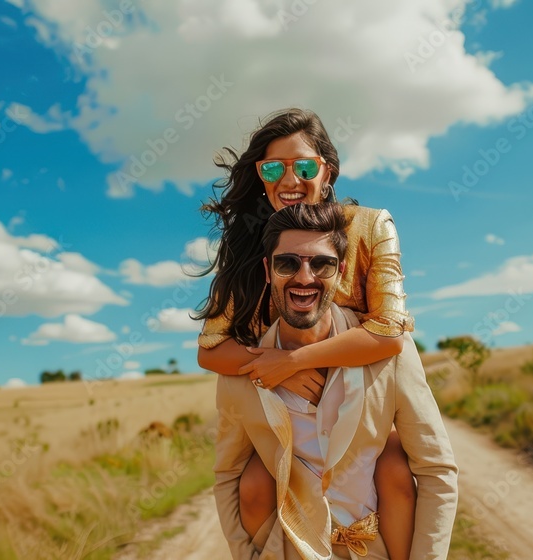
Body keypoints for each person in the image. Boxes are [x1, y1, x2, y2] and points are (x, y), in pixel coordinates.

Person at [196, 108, 418, 557]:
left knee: (394, 467)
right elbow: (211, 349)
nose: (288, 179)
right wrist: (278, 371)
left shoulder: (370, 226)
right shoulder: (250, 245)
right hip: (286, 403)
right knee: (255, 483)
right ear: (260, 175)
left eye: (304, 166)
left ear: (327, 172)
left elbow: (390, 332)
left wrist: (296, 362)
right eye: (273, 167)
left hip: (360, 391)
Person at [214, 202, 458, 559]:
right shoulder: (242, 370)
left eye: (322, 264)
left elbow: (437, 470)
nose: (304, 277)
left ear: (341, 271)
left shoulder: (391, 353)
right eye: (287, 263)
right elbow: (228, 476)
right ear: (268, 271)